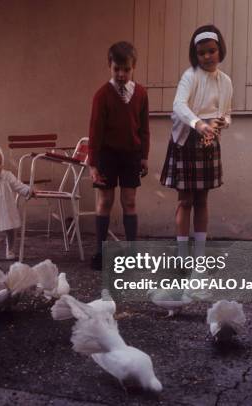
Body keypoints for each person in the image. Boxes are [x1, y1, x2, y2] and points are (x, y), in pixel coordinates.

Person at [159, 25, 233, 259]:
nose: (207, 56)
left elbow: (227, 112)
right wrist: (199, 124)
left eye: (211, 51)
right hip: (186, 141)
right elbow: (179, 106)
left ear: (220, 50)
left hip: (208, 142)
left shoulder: (225, 81)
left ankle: (199, 254)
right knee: (186, 199)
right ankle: (182, 254)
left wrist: (224, 122)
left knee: (202, 199)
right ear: (195, 55)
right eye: (201, 53)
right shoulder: (190, 76)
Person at [88, 41, 150, 271]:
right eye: (117, 69)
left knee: (129, 201)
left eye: (126, 69)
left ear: (134, 67)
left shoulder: (141, 94)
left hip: (131, 156)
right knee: (105, 201)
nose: (121, 74)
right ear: (109, 67)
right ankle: (101, 252)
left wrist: (144, 155)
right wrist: (93, 164)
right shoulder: (102, 95)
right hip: (107, 155)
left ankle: (132, 253)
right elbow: (95, 131)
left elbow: (144, 128)